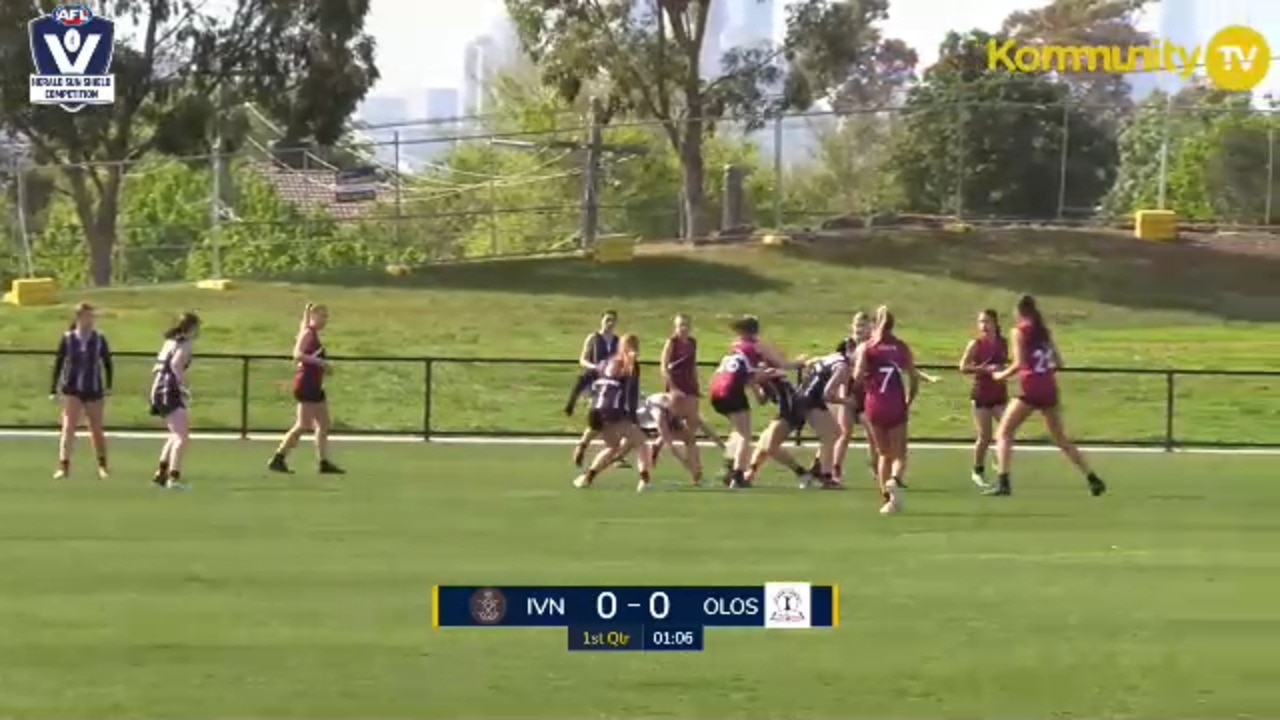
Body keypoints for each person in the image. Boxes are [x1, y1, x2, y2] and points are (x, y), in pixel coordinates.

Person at [987, 295, 1107, 497]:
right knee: (1060, 438)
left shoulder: (1018, 331)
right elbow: (1059, 363)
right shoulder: (1044, 332)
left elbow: (1019, 363)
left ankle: (1003, 482)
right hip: (1049, 388)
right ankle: (1093, 478)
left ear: (1019, 312)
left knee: (1003, 433)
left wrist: (1000, 375)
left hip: (1030, 388)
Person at [707, 316, 800, 489]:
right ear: (755, 331)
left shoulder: (735, 347)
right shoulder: (756, 345)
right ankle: (738, 475)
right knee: (745, 434)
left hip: (715, 389)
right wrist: (801, 362)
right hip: (731, 389)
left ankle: (729, 466)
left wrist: (760, 388)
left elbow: (747, 377)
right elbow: (783, 364)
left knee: (737, 429)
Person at [852, 306, 919, 514]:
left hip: (874, 405)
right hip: (896, 404)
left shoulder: (867, 347)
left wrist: (863, 388)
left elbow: (857, 377)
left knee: (883, 454)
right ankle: (895, 480)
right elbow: (914, 377)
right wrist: (909, 399)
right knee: (900, 455)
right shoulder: (901, 347)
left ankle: (887, 499)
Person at [572, 334, 654, 492]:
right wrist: (632, 417)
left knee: (612, 446)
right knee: (642, 443)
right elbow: (631, 393)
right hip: (613, 411)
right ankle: (645, 481)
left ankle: (587, 478)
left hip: (595, 408)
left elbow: (595, 382)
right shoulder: (631, 364)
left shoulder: (604, 362)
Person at [269, 303, 345, 475]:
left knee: (324, 424)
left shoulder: (311, 333)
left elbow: (303, 327)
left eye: (326, 316)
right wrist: (322, 363)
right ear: (314, 316)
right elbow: (297, 354)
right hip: (306, 385)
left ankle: (323, 462)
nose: (325, 320)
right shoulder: (308, 334)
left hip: (315, 386)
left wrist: (305, 313)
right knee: (303, 425)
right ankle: (278, 458)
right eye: (322, 316)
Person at [49, 302, 113, 479]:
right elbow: (59, 362)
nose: (91, 320)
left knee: (96, 429)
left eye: (92, 316)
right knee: (68, 427)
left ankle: (102, 466)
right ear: (79, 317)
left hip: (93, 389)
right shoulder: (68, 338)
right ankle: (63, 466)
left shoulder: (99, 339)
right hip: (72, 388)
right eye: (87, 316)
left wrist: (108, 386)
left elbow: (107, 363)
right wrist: (53, 389)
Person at [148, 312, 200, 489]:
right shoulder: (184, 344)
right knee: (182, 437)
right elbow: (176, 365)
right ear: (191, 328)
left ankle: (161, 474)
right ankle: (174, 478)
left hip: (159, 388)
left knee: (175, 434)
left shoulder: (170, 341)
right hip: (168, 389)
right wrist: (182, 387)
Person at [959, 309, 1008, 489]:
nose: (983, 326)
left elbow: (1009, 363)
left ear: (995, 323)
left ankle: (999, 459)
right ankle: (977, 470)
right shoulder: (975, 344)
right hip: (982, 394)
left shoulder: (1004, 343)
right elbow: (963, 367)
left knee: (1006, 431)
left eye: (986, 321)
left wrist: (1004, 369)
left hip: (1000, 394)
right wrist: (982, 369)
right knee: (985, 436)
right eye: (981, 322)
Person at [569, 310, 620, 467]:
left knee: (612, 419)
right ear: (602, 321)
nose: (610, 323)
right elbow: (582, 359)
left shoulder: (618, 341)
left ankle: (613, 452)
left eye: (613, 321)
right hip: (595, 383)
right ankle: (583, 445)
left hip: (611, 385)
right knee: (597, 419)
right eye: (607, 320)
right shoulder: (593, 338)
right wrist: (595, 367)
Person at [832, 312, 873, 484]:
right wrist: (841, 394)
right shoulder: (845, 345)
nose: (859, 329)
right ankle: (835, 470)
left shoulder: (873, 345)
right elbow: (837, 368)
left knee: (872, 434)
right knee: (844, 433)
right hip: (848, 392)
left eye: (863, 325)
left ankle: (876, 467)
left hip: (868, 393)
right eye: (857, 325)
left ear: (871, 327)